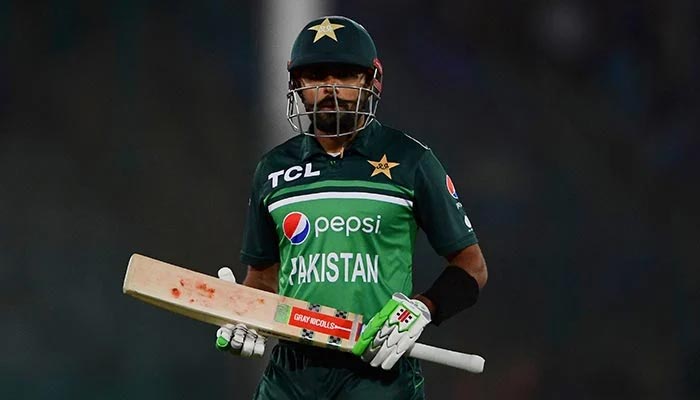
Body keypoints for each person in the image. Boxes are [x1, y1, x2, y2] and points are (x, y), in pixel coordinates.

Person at [215, 15, 487, 399]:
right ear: (297, 85)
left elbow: (471, 266)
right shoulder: (273, 169)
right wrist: (246, 316)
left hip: (379, 373)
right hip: (292, 377)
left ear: (370, 81)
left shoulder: (411, 161)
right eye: (314, 76)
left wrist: (422, 309)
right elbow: (263, 279)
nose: (328, 87)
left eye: (344, 74)